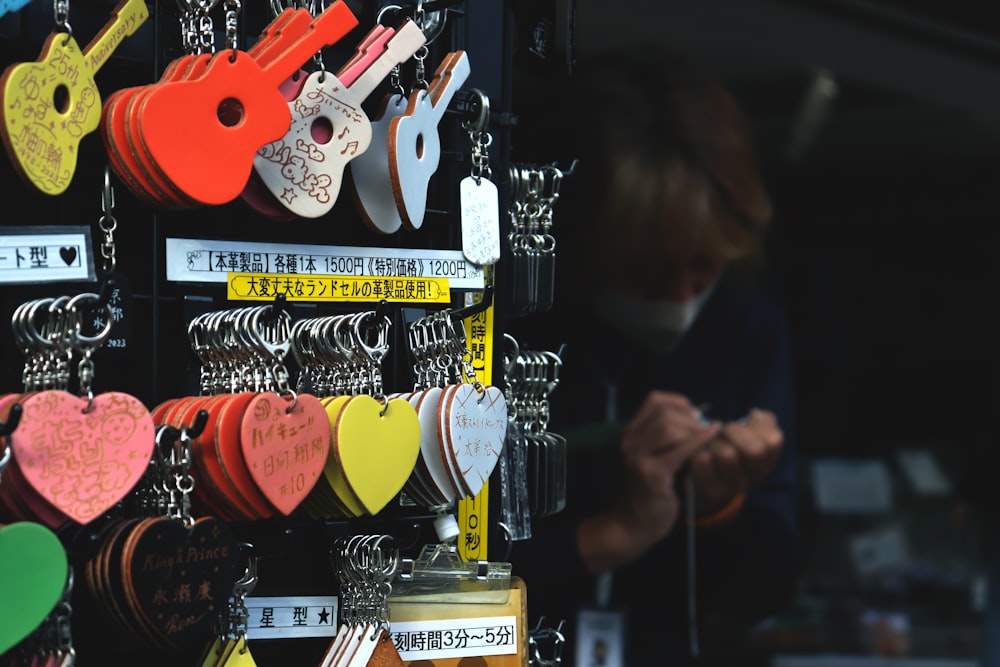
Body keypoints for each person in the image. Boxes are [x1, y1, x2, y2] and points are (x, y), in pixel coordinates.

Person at [507, 47, 801, 665]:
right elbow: (441, 571)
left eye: (703, 263)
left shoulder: (746, 324)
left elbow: (769, 590)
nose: (678, 299)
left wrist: (722, 507)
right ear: (585, 248)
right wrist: (608, 536)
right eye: (645, 270)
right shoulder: (517, 324)